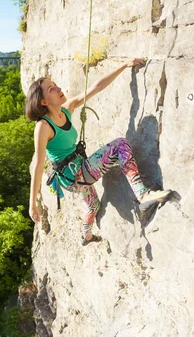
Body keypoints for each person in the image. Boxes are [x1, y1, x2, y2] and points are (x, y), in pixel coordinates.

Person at [25, 58, 173, 246]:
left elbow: (96, 87)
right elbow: (38, 166)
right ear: (43, 101)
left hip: (77, 174)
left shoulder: (67, 109)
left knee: (93, 205)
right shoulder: (43, 127)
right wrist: (33, 204)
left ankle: (85, 235)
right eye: (51, 89)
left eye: (55, 85)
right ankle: (143, 196)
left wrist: (123, 65)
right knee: (120, 145)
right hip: (74, 176)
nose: (58, 88)